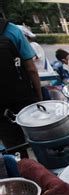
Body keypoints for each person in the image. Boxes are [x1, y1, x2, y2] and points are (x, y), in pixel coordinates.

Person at [0, 19, 42, 155]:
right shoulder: (11, 29)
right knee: (38, 138)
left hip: (1, 106)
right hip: (22, 97)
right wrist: (39, 96)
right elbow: (31, 69)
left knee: (15, 148)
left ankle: (22, 170)